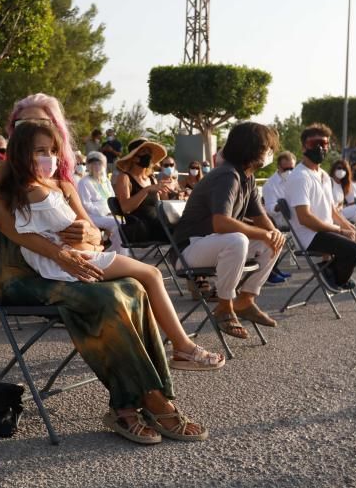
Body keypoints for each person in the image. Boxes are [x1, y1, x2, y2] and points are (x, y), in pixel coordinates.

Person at [0, 98, 216, 445]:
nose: (37, 134)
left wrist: (90, 236)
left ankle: (148, 395)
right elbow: (4, 224)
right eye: (24, 124)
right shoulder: (9, 173)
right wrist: (62, 253)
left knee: (134, 288)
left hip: (68, 263)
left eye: (44, 124)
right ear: (14, 133)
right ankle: (141, 403)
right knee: (109, 298)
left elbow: (91, 227)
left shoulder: (60, 179)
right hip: (26, 276)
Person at [173, 122, 287, 336]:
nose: (270, 153)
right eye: (266, 148)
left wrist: (273, 234)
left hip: (214, 244)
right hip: (189, 250)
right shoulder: (227, 175)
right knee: (239, 239)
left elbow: (260, 217)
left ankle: (245, 300)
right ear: (251, 149)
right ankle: (225, 306)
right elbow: (221, 223)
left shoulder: (247, 177)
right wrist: (264, 233)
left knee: (273, 240)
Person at [284, 124, 356, 289]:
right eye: (315, 143)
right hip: (310, 236)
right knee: (355, 250)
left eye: (325, 144)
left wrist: (350, 228)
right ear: (304, 146)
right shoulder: (300, 177)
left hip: (327, 230)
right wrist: (341, 231)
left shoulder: (324, 176)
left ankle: (331, 269)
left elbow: (332, 210)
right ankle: (338, 278)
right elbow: (304, 218)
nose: (321, 148)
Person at [113, 139, 173, 243]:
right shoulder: (124, 177)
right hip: (140, 227)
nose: (149, 156)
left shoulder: (151, 179)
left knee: (184, 223)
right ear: (134, 158)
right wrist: (146, 190)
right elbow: (126, 208)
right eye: (144, 152)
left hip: (157, 224)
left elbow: (161, 204)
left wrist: (167, 193)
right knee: (181, 231)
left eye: (150, 153)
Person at [76, 151, 124, 254]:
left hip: (109, 214)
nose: (96, 166)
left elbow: (112, 197)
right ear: (88, 165)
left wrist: (113, 211)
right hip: (93, 216)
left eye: (99, 163)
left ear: (104, 165)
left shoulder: (105, 180)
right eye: (93, 163)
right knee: (119, 224)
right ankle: (116, 252)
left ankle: (114, 251)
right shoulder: (84, 182)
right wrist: (105, 212)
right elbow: (86, 205)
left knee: (125, 222)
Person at [261, 151, 296, 226]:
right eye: (286, 169)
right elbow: (270, 209)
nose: (289, 172)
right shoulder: (269, 185)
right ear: (278, 167)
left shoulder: (298, 179)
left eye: (291, 169)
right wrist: (281, 205)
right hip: (285, 226)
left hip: (301, 222)